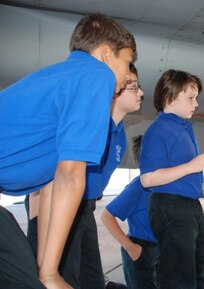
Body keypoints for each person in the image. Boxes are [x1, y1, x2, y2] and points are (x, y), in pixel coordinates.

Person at [0, 13, 136, 289]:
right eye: (128, 62)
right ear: (107, 54)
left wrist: (45, 270)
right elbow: (71, 175)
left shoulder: (65, 76)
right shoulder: (97, 75)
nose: (127, 75)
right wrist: (49, 274)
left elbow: (52, 186)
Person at [27, 63, 143, 289]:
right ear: (115, 93)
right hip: (61, 206)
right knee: (62, 277)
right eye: (134, 87)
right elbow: (49, 170)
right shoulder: (89, 126)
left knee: (92, 280)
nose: (141, 93)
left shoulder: (118, 135)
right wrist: (37, 222)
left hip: (85, 209)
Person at [139, 69, 204, 289]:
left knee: (199, 265)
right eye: (190, 98)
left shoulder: (181, 126)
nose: (195, 104)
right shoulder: (159, 130)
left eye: (196, 98)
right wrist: (191, 167)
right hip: (171, 206)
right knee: (178, 275)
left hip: (188, 206)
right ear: (169, 98)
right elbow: (148, 179)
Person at [101, 135, 159, 289]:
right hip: (141, 250)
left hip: (163, 248)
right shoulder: (138, 187)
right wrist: (130, 248)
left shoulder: (165, 185)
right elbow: (106, 216)